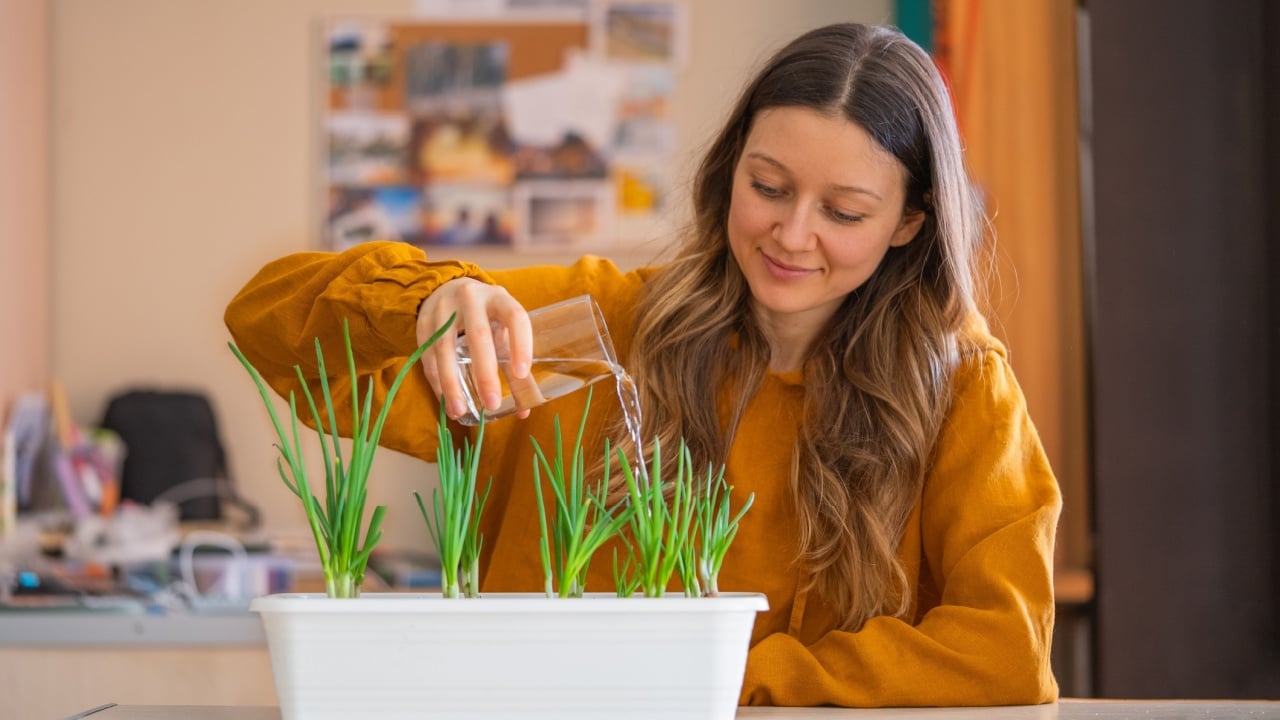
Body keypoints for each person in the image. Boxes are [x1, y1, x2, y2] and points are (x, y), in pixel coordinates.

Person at [225, 23, 1061, 707]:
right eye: (767, 187)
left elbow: (1006, 650)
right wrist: (421, 302)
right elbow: (267, 322)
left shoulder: (958, 387)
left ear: (911, 222)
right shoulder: (596, 329)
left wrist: (717, 683)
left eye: (843, 211)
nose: (792, 235)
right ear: (730, 167)